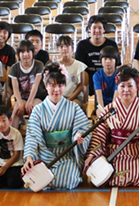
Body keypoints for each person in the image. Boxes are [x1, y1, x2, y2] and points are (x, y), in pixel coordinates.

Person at [85, 66, 139, 187]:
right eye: (122, 86)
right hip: (114, 155)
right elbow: (99, 135)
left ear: (137, 87)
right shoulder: (109, 109)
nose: (126, 90)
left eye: (130, 86)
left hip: (137, 154)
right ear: (117, 87)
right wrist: (92, 155)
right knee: (111, 177)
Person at [22, 62, 91, 190]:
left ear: (65, 86)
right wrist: (30, 157)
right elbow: (32, 136)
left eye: (60, 85)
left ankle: (46, 182)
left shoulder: (74, 108)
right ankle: (47, 181)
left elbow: (82, 128)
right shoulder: (38, 110)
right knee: (33, 171)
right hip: (44, 156)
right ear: (46, 86)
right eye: (52, 85)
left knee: (70, 178)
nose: (56, 90)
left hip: (66, 156)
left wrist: (78, 136)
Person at [75, 16, 118, 98]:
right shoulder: (82, 45)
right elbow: (80, 69)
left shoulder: (112, 45)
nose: (97, 31)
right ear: (89, 29)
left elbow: (115, 67)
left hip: (107, 80)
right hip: (89, 80)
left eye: (100, 28)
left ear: (104, 30)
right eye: (94, 28)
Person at [9, 40, 46, 129]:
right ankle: (12, 138)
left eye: (28, 51)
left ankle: (37, 137)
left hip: (37, 96)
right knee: (17, 109)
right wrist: (21, 102)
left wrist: (30, 101)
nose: (25, 54)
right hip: (22, 97)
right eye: (22, 52)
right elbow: (15, 88)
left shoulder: (39, 65)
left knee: (36, 108)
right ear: (18, 55)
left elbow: (36, 85)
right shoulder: (15, 68)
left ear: (33, 53)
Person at [0, 105, 24, 189]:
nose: (1, 124)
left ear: (10, 120)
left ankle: (8, 177)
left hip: (13, 163)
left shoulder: (16, 133)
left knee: (14, 184)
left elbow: (17, 155)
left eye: (4, 120)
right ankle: (5, 178)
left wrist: (5, 167)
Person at [57, 36, 88, 110]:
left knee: (72, 107)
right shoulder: (55, 65)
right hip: (58, 96)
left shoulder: (79, 65)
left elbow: (81, 85)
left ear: (73, 48)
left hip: (75, 97)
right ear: (58, 49)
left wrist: (70, 99)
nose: (64, 49)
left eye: (67, 46)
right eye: (61, 47)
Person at [93, 46, 120, 112]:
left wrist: (111, 111)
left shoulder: (120, 75)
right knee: (100, 113)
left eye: (110, 59)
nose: (107, 61)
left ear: (116, 60)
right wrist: (102, 111)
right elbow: (99, 96)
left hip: (116, 104)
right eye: (105, 59)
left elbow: (116, 97)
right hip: (102, 104)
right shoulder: (97, 75)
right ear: (101, 60)